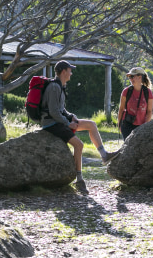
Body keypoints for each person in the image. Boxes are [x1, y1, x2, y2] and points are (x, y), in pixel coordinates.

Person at [41, 60, 119, 194]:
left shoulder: (61, 86)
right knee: (79, 145)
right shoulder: (54, 87)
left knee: (91, 125)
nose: (71, 73)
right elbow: (53, 112)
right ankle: (79, 179)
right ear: (64, 71)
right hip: (52, 124)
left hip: (60, 121)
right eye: (70, 70)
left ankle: (104, 155)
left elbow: (61, 109)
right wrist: (67, 123)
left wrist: (71, 116)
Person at [117, 67, 153, 140]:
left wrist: (145, 127)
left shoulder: (148, 92)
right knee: (128, 147)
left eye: (132, 76)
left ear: (140, 77)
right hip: (127, 124)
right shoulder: (126, 91)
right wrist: (119, 124)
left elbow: (149, 111)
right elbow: (121, 109)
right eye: (129, 77)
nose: (130, 79)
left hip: (141, 125)